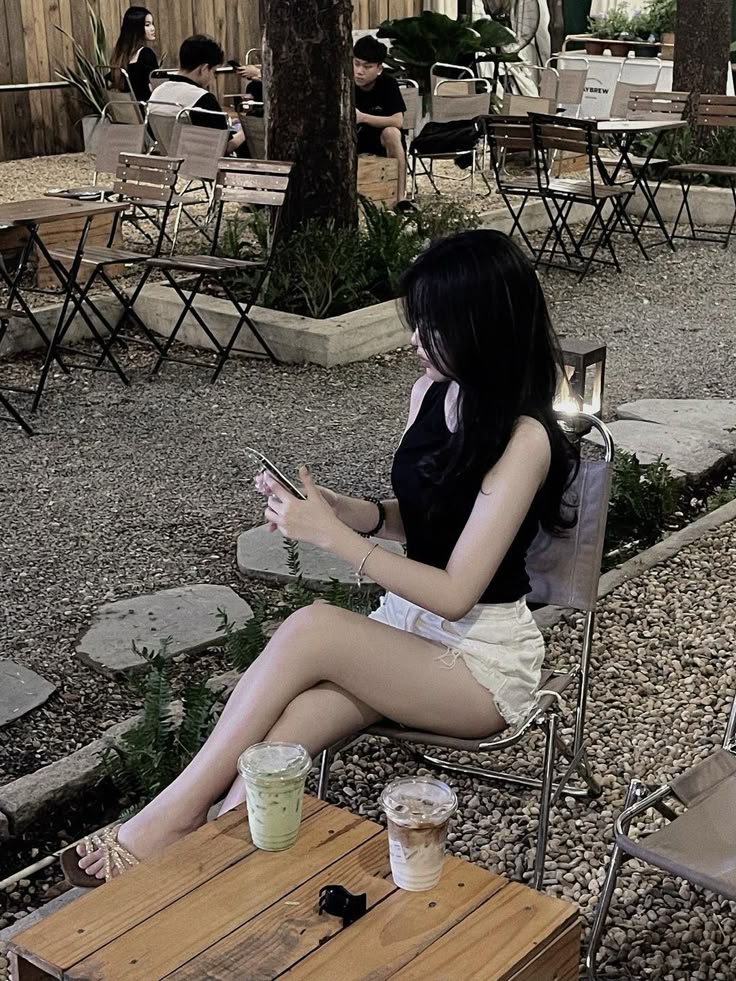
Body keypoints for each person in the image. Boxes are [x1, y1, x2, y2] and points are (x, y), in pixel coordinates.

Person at [62, 230, 579, 885]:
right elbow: (425, 517)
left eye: (433, 326)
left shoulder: (526, 439)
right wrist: (349, 511)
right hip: (409, 632)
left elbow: (455, 593)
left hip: (478, 663)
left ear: (483, 328)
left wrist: (336, 540)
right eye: (416, 322)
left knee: (312, 627)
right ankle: (210, 868)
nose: (416, 340)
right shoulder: (431, 393)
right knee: (282, 739)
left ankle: (167, 817)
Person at [148, 35, 246, 156]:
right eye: (213, 72)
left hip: (170, 163)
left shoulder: (157, 93)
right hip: (203, 165)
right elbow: (222, 147)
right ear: (204, 69)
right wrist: (244, 132)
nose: (213, 78)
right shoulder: (202, 99)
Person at [353, 36, 408, 203]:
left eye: (367, 67)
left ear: (379, 69)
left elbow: (397, 121)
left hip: (379, 140)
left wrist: (363, 118)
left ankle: (399, 198)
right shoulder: (343, 82)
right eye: (356, 64)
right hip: (353, 138)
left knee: (392, 133)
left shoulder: (388, 85)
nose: (359, 71)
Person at [110, 6, 158, 104]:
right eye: (147, 25)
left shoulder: (119, 56)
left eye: (152, 24)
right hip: (147, 108)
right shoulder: (145, 54)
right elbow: (157, 87)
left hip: (128, 109)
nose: (153, 28)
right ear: (136, 28)